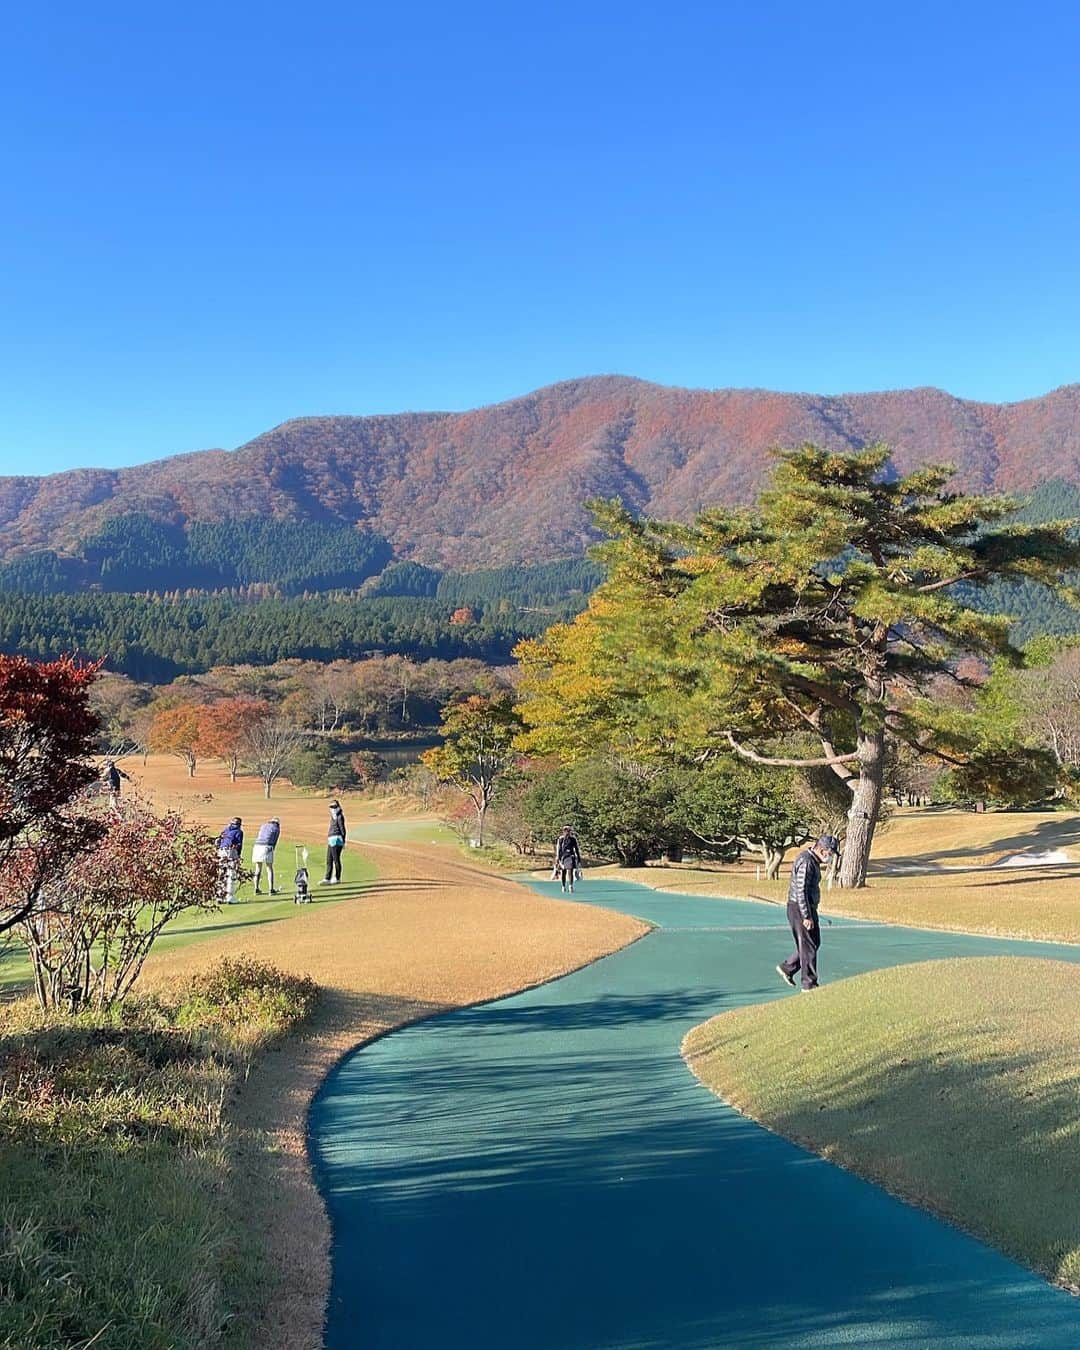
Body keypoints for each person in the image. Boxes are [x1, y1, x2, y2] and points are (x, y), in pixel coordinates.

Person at [776, 835, 839, 992]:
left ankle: (788, 967)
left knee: (814, 942)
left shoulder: (813, 861)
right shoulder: (806, 861)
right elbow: (801, 890)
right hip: (799, 908)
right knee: (809, 945)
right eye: (829, 853)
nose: (830, 856)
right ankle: (809, 984)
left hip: (807, 907)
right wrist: (806, 916)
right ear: (821, 849)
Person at [217, 816, 244, 904]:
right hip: (230, 851)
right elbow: (239, 845)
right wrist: (238, 856)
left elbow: (219, 840)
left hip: (221, 851)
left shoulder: (226, 829)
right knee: (231, 875)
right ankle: (230, 897)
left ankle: (220, 896)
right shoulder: (239, 832)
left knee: (222, 874)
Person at [252, 817, 281, 895]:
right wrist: (272, 849)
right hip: (267, 846)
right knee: (269, 868)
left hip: (257, 846)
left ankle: (256, 888)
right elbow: (275, 841)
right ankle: (271, 889)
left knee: (258, 868)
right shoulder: (276, 828)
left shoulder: (263, 825)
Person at [323, 799, 347, 884]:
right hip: (331, 839)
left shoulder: (340, 816)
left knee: (336, 859)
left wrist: (343, 841)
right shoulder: (333, 816)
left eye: (334, 807)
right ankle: (327, 878)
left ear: (338, 807)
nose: (332, 809)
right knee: (329, 859)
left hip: (337, 839)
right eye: (331, 807)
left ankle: (337, 878)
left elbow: (342, 829)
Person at [553, 825, 582, 894]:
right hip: (563, 857)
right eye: (565, 831)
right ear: (563, 831)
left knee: (570, 870)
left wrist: (578, 858)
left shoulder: (573, 839)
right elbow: (559, 849)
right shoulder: (561, 839)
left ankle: (570, 886)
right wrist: (558, 858)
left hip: (570, 856)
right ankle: (563, 886)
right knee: (564, 872)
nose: (567, 832)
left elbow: (576, 849)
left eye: (568, 831)